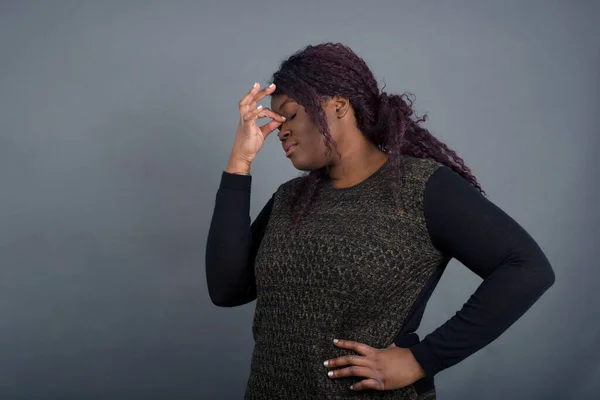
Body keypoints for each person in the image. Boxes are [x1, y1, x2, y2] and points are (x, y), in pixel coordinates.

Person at [205, 43, 555, 399]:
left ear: (338, 106)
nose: (280, 131)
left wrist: (423, 359)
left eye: (290, 115)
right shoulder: (290, 198)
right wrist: (239, 162)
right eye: (275, 120)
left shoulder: (420, 188)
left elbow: (527, 268)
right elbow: (227, 290)